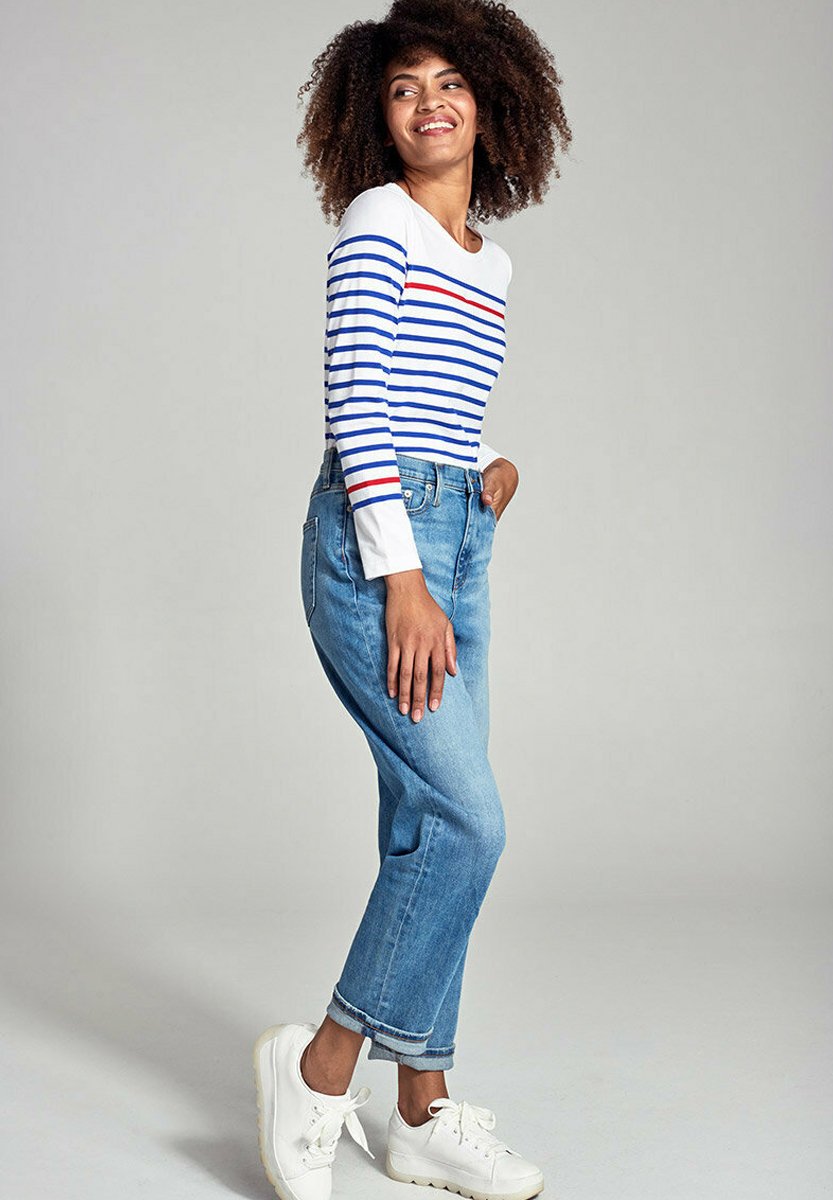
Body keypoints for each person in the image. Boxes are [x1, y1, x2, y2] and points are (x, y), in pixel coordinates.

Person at [254, 2, 572, 1197]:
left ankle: (421, 1110)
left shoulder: (490, 262)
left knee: (426, 825)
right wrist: (401, 576)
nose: (428, 101)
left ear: (491, 101)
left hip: (454, 537)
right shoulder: (375, 219)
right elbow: (357, 399)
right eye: (402, 87)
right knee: (470, 823)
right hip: (371, 545)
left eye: (449, 81)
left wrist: (481, 479)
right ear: (373, 115)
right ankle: (320, 1069)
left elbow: (432, 395)